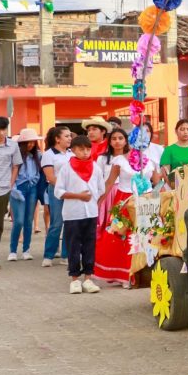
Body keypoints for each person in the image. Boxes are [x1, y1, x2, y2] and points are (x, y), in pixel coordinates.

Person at [53, 135, 104, 294]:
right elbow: (58, 192)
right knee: (74, 246)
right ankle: (74, 279)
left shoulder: (95, 167)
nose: (85, 152)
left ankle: (88, 278)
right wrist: (79, 196)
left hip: (91, 213)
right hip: (73, 213)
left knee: (90, 246)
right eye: (81, 149)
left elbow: (101, 189)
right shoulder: (66, 168)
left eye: (88, 149)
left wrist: (94, 202)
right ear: (73, 150)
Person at [94, 128, 136, 285]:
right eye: (114, 138)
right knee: (121, 236)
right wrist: (97, 202)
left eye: (121, 138)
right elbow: (109, 182)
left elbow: (156, 179)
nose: (118, 141)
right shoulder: (118, 161)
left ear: (126, 140)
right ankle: (124, 274)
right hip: (124, 200)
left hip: (145, 201)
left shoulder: (146, 158)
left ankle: (140, 272)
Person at [7, 128, 43, 262]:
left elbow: (42, 173)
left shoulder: (38, 156)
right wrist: (13, 188)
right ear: (21, 143)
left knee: (29, 221)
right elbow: (10, 173)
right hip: (18, 189)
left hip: (32, 189)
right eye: (28, 142)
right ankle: (12, 250)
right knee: (18, 221)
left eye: (33, 142)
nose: (31, 145)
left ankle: (26, 250)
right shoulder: (14, 155)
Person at [41, 126, 73, 266]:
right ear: (57, 139)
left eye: (70, 136)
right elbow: (50, 176)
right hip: (56, 191)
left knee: (69, 223)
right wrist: (62, 190)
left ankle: (66, 255)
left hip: (71, 192)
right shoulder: (48, 154)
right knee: (57, 223)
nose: (70, 138)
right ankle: (49, 254)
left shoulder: (72, 153)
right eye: (66, 136)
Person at [0, 117, 22, 270]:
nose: (1, 133)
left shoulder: (13, 145)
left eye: (3, 129)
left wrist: (10, 184)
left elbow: (15, 166)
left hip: (2, 189)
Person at [160, 119, 188, 184]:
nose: (185, 132)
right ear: (176, 131)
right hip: (175, 187)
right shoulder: (169, 150)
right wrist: (173, 187)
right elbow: (165, 172)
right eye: (182, 129)